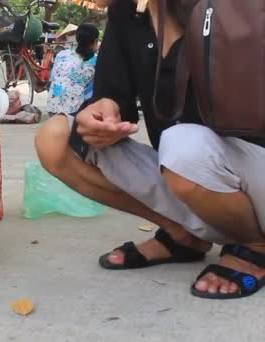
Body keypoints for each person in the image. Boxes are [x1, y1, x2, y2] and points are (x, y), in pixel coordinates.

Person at [35, 0, 265, 300]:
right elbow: (115, 96)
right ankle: (183, 233)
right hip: (187, 170)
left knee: (181, 147)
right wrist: (104, 111)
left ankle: (254, 245)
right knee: (56, 139)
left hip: (250, 166)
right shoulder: (127, 12)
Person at [47, 23, 99, 117]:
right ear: (95, 41)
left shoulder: (62, 54)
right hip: (74, 111)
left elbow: (52, 80)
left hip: (52, 108)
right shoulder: (96, 60)